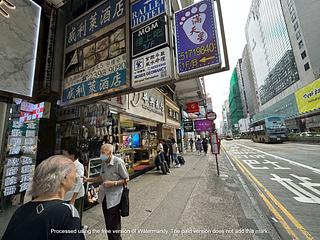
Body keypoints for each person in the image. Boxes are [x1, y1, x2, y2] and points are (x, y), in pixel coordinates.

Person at [2, 155, 85, 240]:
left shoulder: (21, 210)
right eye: (74, 173)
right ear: (64, 178)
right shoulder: (68, 213)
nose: (76, 177)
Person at [84, 144, 129, 240]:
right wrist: (87, 179)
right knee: (108, 224)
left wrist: (113, 183)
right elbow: (101, 178)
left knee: (113, 225)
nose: (101, 155)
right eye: (101, 152)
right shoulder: (104, 163)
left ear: (110, 153)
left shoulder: (118, 162)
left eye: (103, 153)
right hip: (105, 196)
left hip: (115, 198)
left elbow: (126, 179)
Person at [63, 147, 85, 225]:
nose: (65, 156)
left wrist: (73, 199)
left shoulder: (79, 166)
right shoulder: (68, 164)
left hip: (75, 196)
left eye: (66, 155)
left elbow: (79, 183)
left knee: (75, 217)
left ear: (72, 156)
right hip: (67, 195)